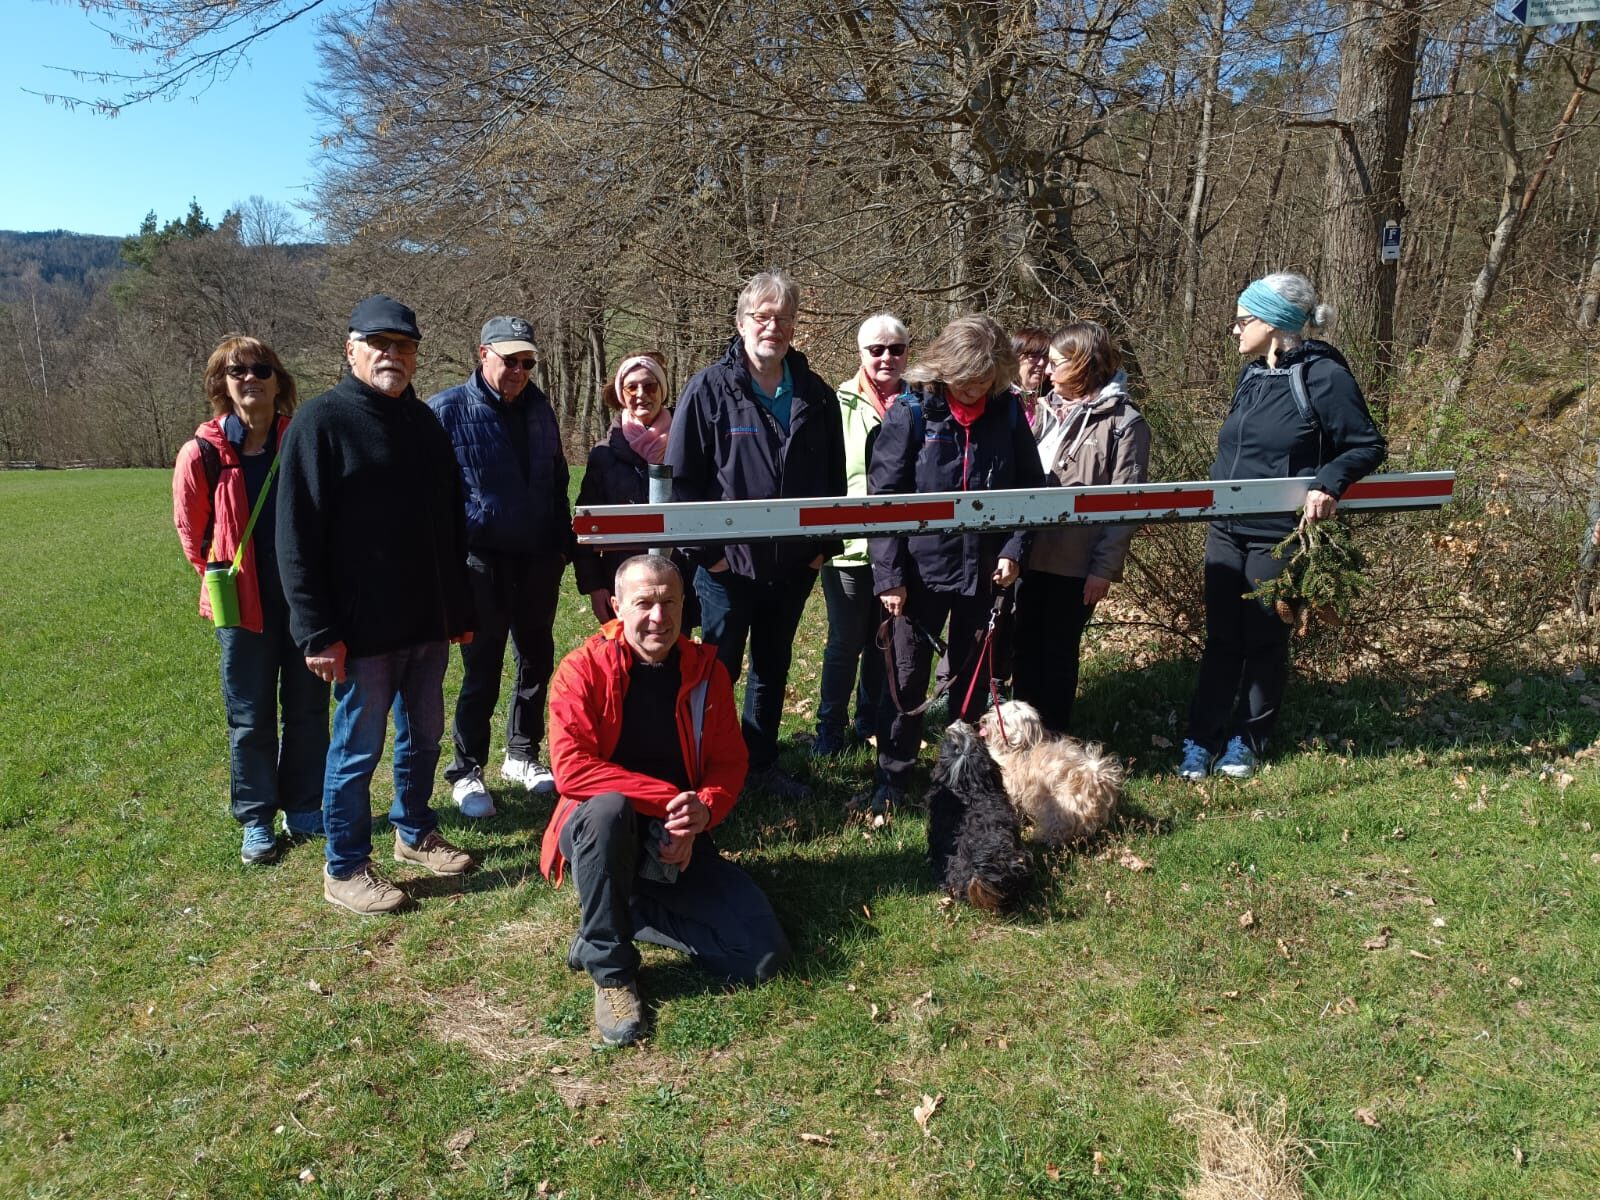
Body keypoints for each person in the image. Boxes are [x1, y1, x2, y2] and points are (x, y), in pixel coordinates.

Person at [276, 294, 478, 914]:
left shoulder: (423, 424)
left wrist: (460, 610)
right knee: (357, 749)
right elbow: (295, 535)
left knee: (424, 734)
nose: (394, 356)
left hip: (426, 622)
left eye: (405, 346)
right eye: (380, 345)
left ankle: (413, 832)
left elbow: (449, 526)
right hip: (360, 632)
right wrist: (315, 631)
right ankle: (344, 868)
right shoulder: (322, 423)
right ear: (352, 350)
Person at [541, 555, 790, 1046]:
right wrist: (671, 800)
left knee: (763, 957)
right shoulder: (581, 670)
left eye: (669, 602)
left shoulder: (706, 671)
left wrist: (702, 814)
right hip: (600, 830)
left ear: (684, 604)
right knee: (609, 809)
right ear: (616, 606)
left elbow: (728, 763)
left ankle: (613, 920)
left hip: (677, 838)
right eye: (644, 603)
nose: (659, 617)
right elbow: (572, 769)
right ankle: (612, 973)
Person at [1178, 272, 1387, 781]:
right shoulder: (1253, 374)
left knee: (1265, 639)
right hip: (1226, 527)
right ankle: (1201, 740)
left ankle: (1247, 741)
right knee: (1222, 637)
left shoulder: (1324, 375)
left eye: (1243, 320)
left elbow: (1366, 444)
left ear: (1274, 324)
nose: (1235, 329)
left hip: (1280, 533)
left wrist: (1329, 482)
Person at [665, 270, 847, 800]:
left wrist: (817, 554)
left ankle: (760, 764)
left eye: (784, 318)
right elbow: (684, 481)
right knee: (719, 669)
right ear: (741, 323)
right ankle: (707, 768)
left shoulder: (816, 395)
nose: (774, 327)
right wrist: (710, 557)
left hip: (792, 569)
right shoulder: (709, 389)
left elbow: (833, 483)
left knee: (772, 666)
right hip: (726, 569)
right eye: (763, 317)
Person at [867, 315, 1047, 812]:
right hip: (917, 577)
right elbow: (884, 501)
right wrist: (890, 577)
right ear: (945, 369)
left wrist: (1014, 550)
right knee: (905, 681)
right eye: (965, 379)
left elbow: (1031, 493)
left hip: (983, 574)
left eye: (985, 380)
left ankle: (959, 771)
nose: (973, 390)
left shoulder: (1008, 413)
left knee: (972, 678)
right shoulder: (911, 412)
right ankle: (893, 779)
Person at [172, 335, 329, 864]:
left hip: (303, 601)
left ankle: (305, 806)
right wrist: (223, 578)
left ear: (278, 380)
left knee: (308, 708)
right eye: (237, 371)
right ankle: (257, 819)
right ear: (221, 384)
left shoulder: (300, 439)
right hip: (242, 608)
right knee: (250, 716)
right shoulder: (203, 453)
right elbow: (192, 534)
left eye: (262, 369)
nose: (251, 378)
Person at [427, 316, 572, 820]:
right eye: (509, 360)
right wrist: (474, 526)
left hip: (536, 560)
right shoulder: (445, 410)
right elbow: (433, 497)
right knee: (481, 669)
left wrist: (560, 544)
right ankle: (467, 770)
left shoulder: (539, 409)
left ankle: (523, 754)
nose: (518, 370)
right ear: (482, 352)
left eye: (527, 362)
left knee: (536, 659)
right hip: (480, 562)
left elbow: (557, 480)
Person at [1012, 322, 1150, 735]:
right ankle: (1021, 741)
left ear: (1083, 365)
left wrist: (1103, 569)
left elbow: (1127, 504)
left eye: (1056, 364)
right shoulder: (1041, 411)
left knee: (1056, 656)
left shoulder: (1125, 423)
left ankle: (1052, 742)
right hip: (1027, 554)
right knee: (1023, 653)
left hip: (1075, 564)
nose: (1048, 372)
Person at [813, 314, 906, 758]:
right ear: (861, 354)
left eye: (896, 349)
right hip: (849, 548)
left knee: (882, 642)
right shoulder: (838, 403)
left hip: (902, 549)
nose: (886, 357)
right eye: (876, 349)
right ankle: (828, 728)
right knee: (845, 642)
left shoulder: (919, 403)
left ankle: (868, 720)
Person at [571, 351, 700, 633]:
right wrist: (594, 587)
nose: (641, 394)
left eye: (650, 385)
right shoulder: (603, 455)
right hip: (625, 583)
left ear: (662, 391)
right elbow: (584, 528)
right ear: (621, 394)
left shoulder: (688, 444)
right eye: (632, 387)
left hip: (681, 582)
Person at [1011, 326, 1057, 442]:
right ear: (1015, 358)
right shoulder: (999, 400)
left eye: (1046, 357)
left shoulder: (1052, 402)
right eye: (1033, 357)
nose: (1042, 363)